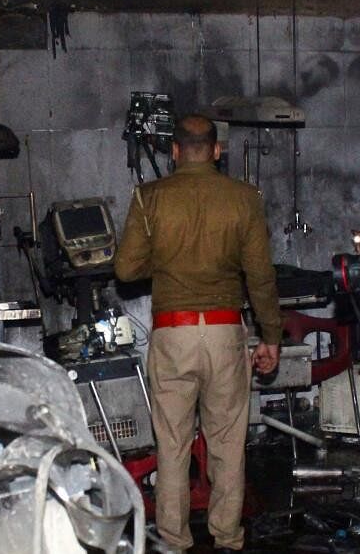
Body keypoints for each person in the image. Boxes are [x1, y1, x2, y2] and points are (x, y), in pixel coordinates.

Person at [113, 114, 282, 554]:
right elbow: (261, 276)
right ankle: (227, 539)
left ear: (173, 151)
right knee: (228, 442)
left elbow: (126, 268)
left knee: (172, 444)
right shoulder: (243, 199)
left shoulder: (149, 197)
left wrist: (165, 261)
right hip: (226, 332)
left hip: (173, 333)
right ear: (217, 151)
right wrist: (271, 335)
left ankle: (175, 541)